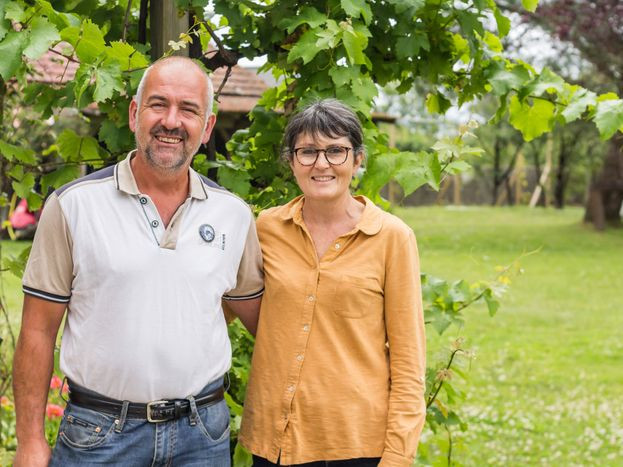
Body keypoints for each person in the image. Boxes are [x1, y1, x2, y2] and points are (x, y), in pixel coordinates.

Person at [12, 56, 264, 467]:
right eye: (157, 104)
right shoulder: (73, 206)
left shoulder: (233, 215)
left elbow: (262, 322)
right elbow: (38, 331)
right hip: (100, 435)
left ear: (207, 128)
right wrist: (30, 443)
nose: (171, 121)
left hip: (203, 435)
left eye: (188, 109)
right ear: (134, 113)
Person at [239, 99, 427, 467]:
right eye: (307, 152)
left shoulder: (392, 238)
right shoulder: (265, 229)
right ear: (291, 161)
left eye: (336, 151)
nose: (321, 164)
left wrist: (398, 457)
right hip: (276, 442)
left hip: (358, 445)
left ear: (358, 160)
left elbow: (408, 363)